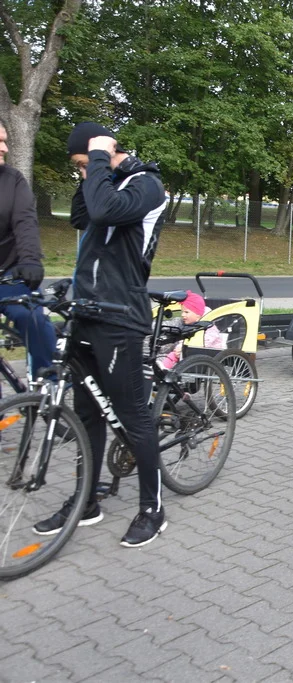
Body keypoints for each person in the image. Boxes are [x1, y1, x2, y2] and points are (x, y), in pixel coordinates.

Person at [33, 122, 169, 548]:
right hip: (87, 311)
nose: (81, 172)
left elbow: (106, 212)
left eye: (82, 164)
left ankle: (153, 508)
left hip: (121, 317)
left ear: (102, 152)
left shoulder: (148, 185)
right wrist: (94, 170)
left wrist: (97, 160)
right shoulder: (102, 183)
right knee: (88, 413)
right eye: (79, 166)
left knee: (133, 416)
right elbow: (82, 215)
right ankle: (86, 499)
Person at [0, 120, 57, 379]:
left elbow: (25, 222)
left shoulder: (12, 180)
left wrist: (31, 260)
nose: (4, 149)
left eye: (5, 141)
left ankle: (48, 383)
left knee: (33, 318)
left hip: (9, 272)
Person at [156, 290, 227, 370]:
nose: (183, 315)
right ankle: (164, 367)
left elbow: (205, 341)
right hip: (191, 354)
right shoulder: (190, 324)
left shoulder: (210, 328)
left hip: (208, 355)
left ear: (198, 315)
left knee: (177, 354)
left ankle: (165, 367)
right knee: (174, 354)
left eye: (186, 312)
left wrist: (183, 348)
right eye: (182, 312)